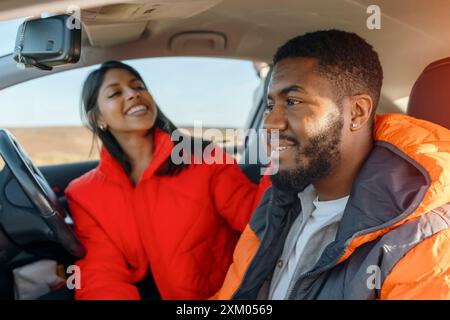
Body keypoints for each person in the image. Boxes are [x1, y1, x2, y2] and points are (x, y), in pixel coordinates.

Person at [212, 30, 450, 300]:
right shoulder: (278, 203)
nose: (270, 122)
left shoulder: (425, 243)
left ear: (357, 113)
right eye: (270, 105)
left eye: (293, 102)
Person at [64, 61, 270, 300]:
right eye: (115, 93)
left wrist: (279, 168)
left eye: (138, 86)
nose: (133, 94)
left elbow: (256, 222)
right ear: (97, 119)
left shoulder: (204, 159)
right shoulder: (84, 194)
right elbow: (102, 273)